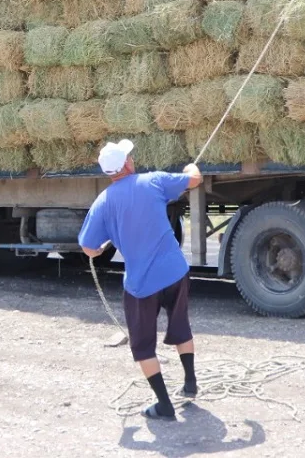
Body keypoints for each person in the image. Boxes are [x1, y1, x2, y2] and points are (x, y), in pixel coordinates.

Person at [78, 139, 203, 421]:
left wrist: (99, 249)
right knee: (181, 325)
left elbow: (88, 247)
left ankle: (164, 405)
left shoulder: (103, 203)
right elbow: (194, 179)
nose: (132, 158)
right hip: (175, 271)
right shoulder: (153, 181)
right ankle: (190, 383)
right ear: (126, 164)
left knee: (143, 346)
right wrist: (192, 167)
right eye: (129, 156)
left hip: (142, 285)